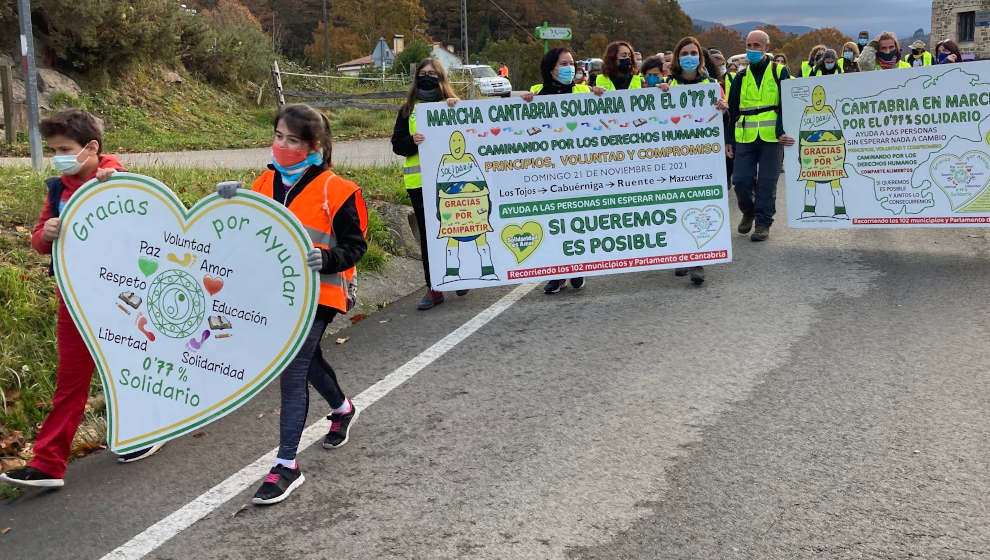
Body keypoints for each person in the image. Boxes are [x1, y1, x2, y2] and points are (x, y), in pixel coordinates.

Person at [0, 110, 160, 489]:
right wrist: (47, 233)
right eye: (54, 150)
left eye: (65, 149)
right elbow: (38, 241)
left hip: (121, 299)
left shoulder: (118, 179)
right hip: (72, 299)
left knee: (127, 368)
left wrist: (117, 182)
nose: (59, 157)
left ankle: (145, 431)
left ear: (92, 147)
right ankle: (48, 464)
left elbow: (148, 227)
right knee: (71, 381)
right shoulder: (57, 188)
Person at [216, 104, 366, 505]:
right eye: (278, 136)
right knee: (305, 357)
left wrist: (329, 258)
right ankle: (342, 407)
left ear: (312, 146)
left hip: (322, 292)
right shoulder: (264, 181)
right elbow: (247, 227)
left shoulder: (339, 189)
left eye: (292, 140)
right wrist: (231, 201)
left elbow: (355, 247)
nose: (282, 145)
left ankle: (286, 465)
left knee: (293, 366)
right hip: (277, 293)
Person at [522, 48, 606, 293]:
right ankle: (558, 274)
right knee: (553, 224)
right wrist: (525, 104)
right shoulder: (537, 93)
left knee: (576, 222)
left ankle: (577, 267)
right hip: (547, 172)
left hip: (579, 170)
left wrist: (601, 94)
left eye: (572, 63)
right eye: (564, 63)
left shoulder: (582, 90)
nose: (571, 67)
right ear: (551, 68)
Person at [391, 58, 460, 310]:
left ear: (441, 77)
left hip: (451, 182)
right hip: (419, 184)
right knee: (430, 237)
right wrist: (412, 140)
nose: (428, 76)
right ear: (417, 77)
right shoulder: (408, 110)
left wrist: (456, 108)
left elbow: (469, 134)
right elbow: (397, 145)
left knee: (458, 228)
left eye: (433, 73)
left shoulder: (452, 106)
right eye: (424, 73)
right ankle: (434, 286)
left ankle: (463, 274)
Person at [658, 36, 728, 285]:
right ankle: (681, 254)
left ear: (701, 57)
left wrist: (723, 107)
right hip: (674, 158)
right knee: (677, 206)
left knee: (699, 206)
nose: (690, 57)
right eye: (685, 52)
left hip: (703, 159)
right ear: (677, 57)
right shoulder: (669, 85)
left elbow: (723, 120)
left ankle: (697, 258)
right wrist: (660, 96)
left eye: (694, 53)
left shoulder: (711, 84)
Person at [726, 30, 795, 242]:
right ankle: (748, 210)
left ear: (766, 47)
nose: (752, 49)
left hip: (771, 137)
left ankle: (763, 223)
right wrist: (729, 139)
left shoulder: (779, 71)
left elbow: (788, 104)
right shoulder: (740, 76)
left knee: (767, 183)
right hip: (745, 136)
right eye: (749, 45)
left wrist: (783, 130)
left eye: (757, 45)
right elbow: (733, 109)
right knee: (741, 181)